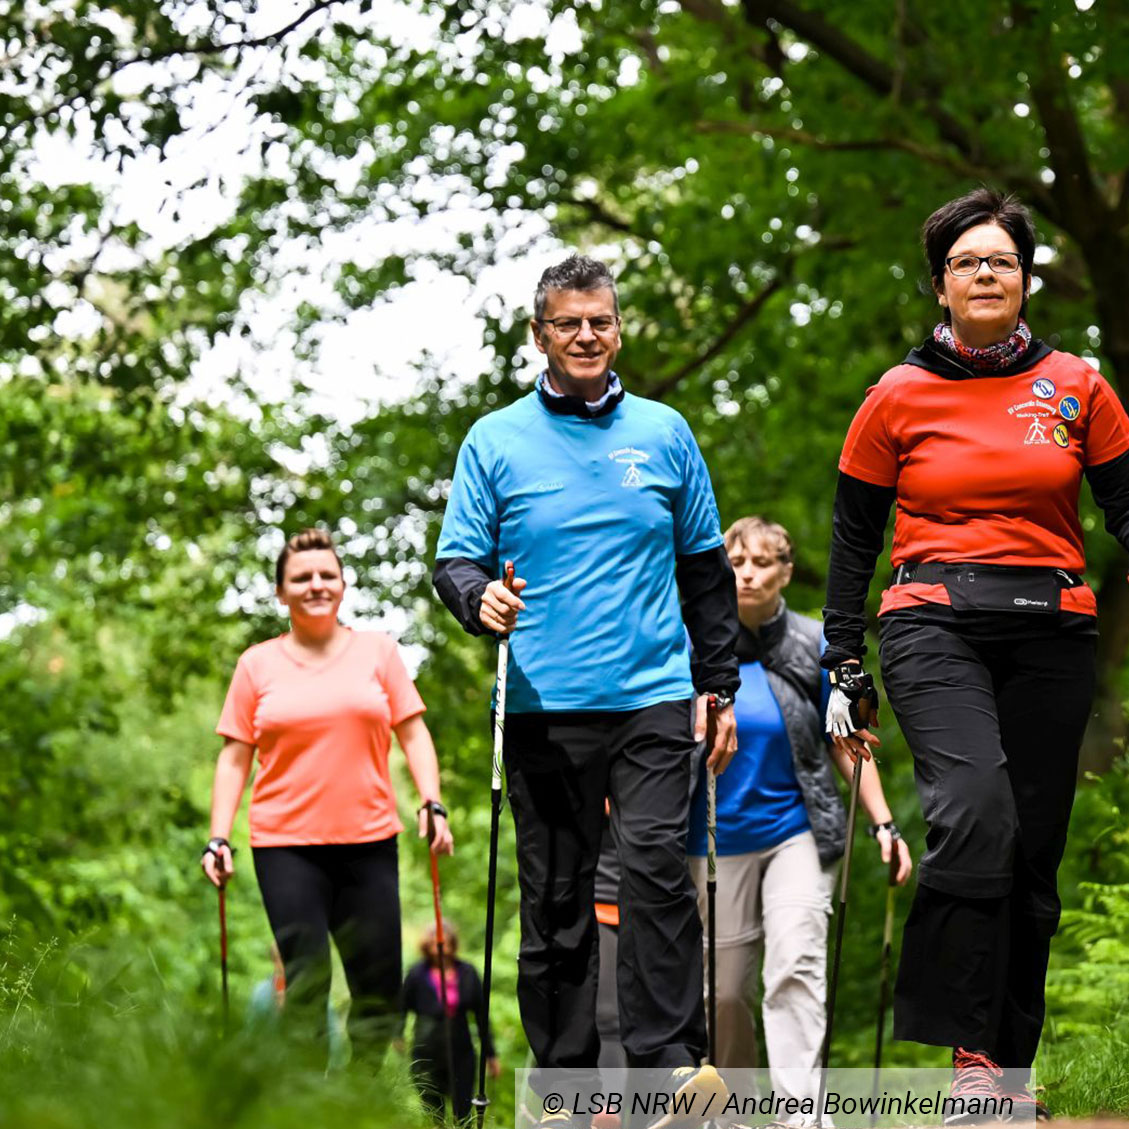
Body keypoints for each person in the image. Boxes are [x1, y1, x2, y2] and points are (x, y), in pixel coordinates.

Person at [819, 190, 1129, 1122]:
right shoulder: (895, 397)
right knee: (975, 810)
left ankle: (1006, 1073)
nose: (987, 273)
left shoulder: (1077, 383)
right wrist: (840, 657)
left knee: (1032, 852)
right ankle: (966, 1056)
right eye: (967, 262)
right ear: (940, 284)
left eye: (1003, 261)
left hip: (1052, 624)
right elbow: (854, 538)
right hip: (931, 619)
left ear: (1026, 279)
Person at [432, 254, 741, 1114]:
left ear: (618, 327)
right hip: (542, 704)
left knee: (656, 876)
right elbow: (455, 560)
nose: (585, 335)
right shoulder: (494, 440)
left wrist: (717, 687)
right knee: (559, 901)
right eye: (567, 322)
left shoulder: (666, 432)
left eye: (599, 320)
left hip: (651, 693)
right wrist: (477, 596)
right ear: (539, 335)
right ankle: (568, 1079)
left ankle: (666, 1067)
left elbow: (707, 574)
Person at [201, 527, 455, 1064]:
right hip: (285, 846)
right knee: (306, 984)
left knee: (380, 991)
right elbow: (234, 757)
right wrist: (218, 838)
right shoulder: (257, 665)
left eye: (326, 575)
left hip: (368, 841)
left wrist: (432, 803)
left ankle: (356, 1103)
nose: (316, 584)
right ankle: (308, 1109)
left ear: (342, 584)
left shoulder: (378, 652)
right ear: (281, 592)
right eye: (302, 577)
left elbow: (413, 732)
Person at [694, 516, 913, 1114]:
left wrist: (884, 823)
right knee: (724, 993)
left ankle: (799, 1114)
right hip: (712, 840)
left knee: (794, 966)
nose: (747, 574)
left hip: (796, 833)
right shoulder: (693, 645)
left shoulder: (813, 644)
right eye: (736, 562)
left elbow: (848, 744)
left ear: (786, 571)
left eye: (762, 562)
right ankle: (729, 1115)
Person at [404, 921, 499, 1122]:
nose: (440, 949)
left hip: (461, 1052)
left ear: (453, 944)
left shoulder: (467, 972)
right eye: (435, 945)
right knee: (432, 1112)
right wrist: (397, 1035)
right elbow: (401, 1007)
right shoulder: (416, 974)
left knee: (463, 1111)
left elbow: (482, 1015)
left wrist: (490, 1054)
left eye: (445, 943)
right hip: (426, 1051)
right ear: (426, 946)